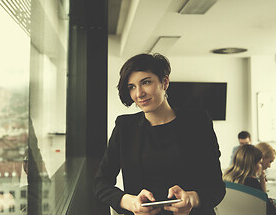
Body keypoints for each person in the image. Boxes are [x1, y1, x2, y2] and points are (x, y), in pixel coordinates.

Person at [93, 53, 225, 215]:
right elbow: (100, 183)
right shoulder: (124, 127)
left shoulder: (198, 123)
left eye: (146, 82)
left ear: (165, 82)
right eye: (131, 87)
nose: (139, 93)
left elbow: (216, 187)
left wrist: (191, 199)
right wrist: (130, 202)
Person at [223, 144, 276, 214]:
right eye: (260, 163)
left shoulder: (225, 178)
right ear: (252, 164)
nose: (261, 166)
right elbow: (267, 208)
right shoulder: (252, 183)